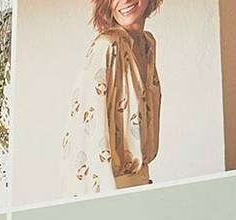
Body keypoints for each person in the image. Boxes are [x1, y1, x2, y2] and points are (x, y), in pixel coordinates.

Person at [63, 0, 162, 197]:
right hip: (108, 192)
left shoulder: (148, 44)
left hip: (142, 189)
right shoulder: (107, 47)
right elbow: (86, 134)